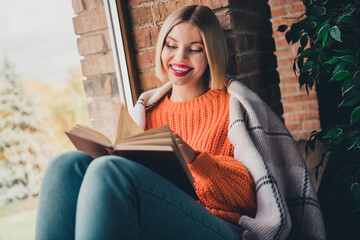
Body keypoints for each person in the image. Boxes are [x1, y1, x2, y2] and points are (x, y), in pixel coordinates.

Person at [35, 5, 325, 240]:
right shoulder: (148, 109)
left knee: (109, 171)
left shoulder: (232, 105)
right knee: (65, 165)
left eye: (195, 49)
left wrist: (194, 158)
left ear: (211, 54)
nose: (179, 57)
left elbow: (251, 197)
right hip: (160, 211)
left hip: (220, 224)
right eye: (171, 46)